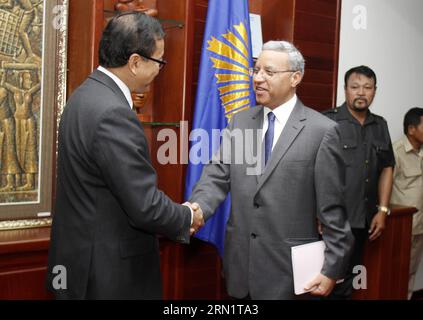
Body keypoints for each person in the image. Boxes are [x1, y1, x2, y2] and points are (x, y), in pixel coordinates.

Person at [47, 12, 203, 300]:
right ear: (135, 62)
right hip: (108, 275)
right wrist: (185, 216)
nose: (160, 69)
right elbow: (143, 205)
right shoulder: (113, 112)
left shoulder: (84, 96)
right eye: (159, 61)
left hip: (80, 265)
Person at [188, 41, 354, 300]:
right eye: (255, 70)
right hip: (240, 268)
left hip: (290, 274)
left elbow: (332, 210)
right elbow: (217, 175)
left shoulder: (321, 131)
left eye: (269, 72)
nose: (258, 78)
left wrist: (331, 269)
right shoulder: (241, 121)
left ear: (295, 78)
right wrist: (196, 209)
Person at [322, 65, 395, 299]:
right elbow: (313, 172)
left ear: (375, 91)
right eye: (355, 87)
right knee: (323, 281)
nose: (361, 92)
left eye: (367, 87)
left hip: (363, 220)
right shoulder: (327, 122)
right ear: (345, 90)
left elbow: (386, 168)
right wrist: (316, 215)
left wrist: (382, 210)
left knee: (350, 282)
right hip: (331, 221)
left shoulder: (380, 125)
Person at [390, 107, 423, 299]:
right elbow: (383, 189)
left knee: (411, 271)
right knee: (395, 272)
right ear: (411, 129)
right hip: (402, 228)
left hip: (420, 225)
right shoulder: (396, 151)